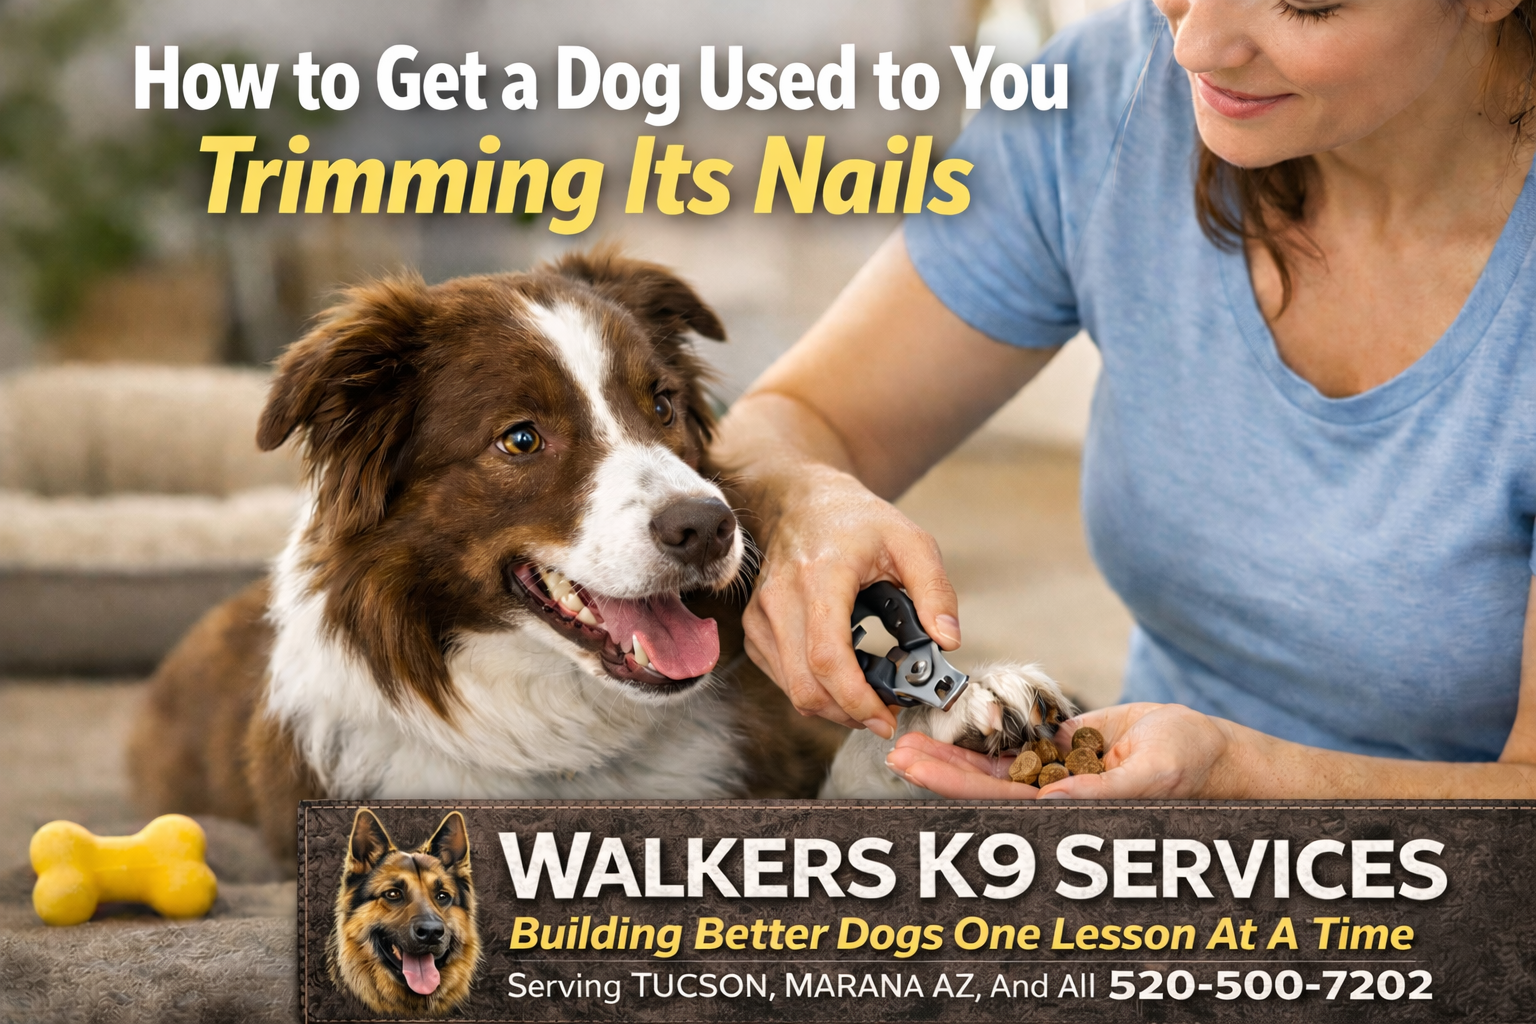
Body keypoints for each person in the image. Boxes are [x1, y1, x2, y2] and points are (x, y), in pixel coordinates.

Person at [712, 0, 1536, 799]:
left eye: (1304, 5)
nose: (1197, 46)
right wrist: (803, 501)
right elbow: (800, 418)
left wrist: (1240, 780)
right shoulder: (1111, 93)